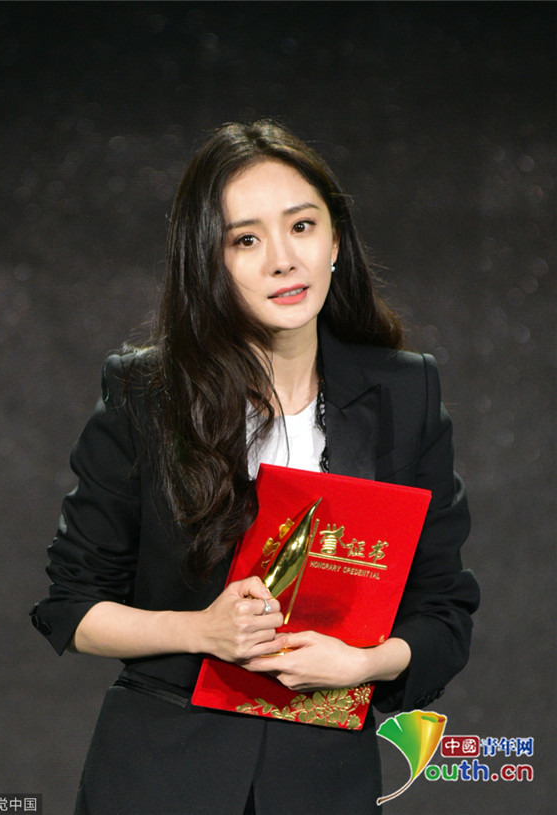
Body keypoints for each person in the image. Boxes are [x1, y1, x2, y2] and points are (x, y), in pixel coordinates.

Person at [30, 120, 480, 814]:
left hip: (325, 780)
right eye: (246, 239)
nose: (283, 260)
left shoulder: (406, 393)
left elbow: (444, 612)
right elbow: (71, 604)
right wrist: (200, 631)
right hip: (161, 776)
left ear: (336, 241)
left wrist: (362, 664)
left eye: (302, 226)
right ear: (208, 262)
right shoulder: (145, 393)